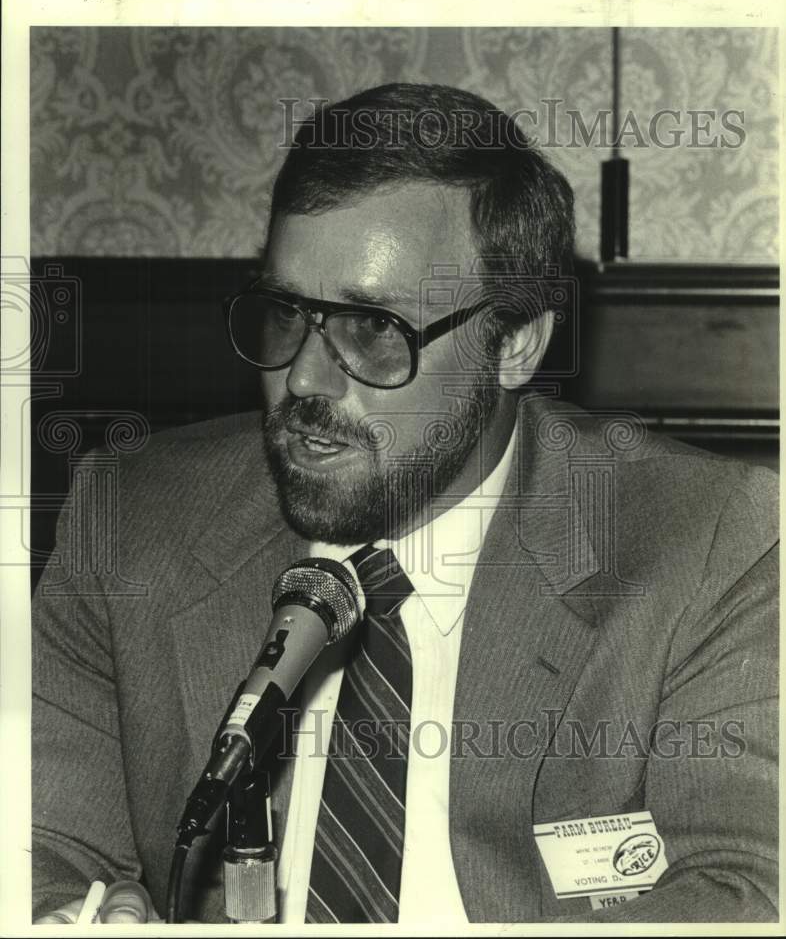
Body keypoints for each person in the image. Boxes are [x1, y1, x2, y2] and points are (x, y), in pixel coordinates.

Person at [32, 83, 778, 925]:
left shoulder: (715, 542)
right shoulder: (130, 519)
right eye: (286, 314)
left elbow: (743, 888)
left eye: (374, 329)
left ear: (516, 345)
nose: (303, 382)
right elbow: (36, 847)